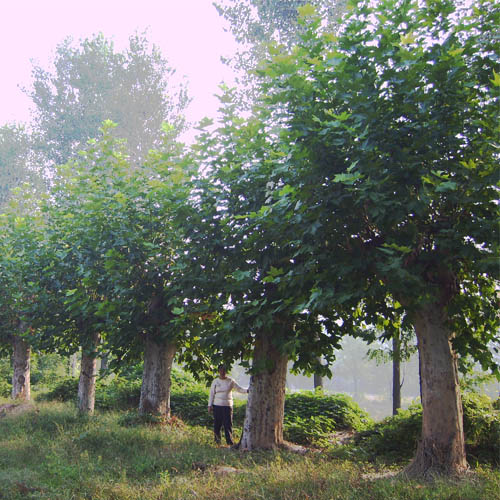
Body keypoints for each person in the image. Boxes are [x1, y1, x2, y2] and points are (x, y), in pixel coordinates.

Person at [208, 364, 248, 445]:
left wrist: (247, 391)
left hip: (227, 406)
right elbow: (211, 394)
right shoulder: (215, 381)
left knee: (228, 424)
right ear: (218, 371)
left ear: (226, 371)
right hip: (217, 406)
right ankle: (217, 442)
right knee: (217, 424)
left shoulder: (230, 381)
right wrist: (209, 405)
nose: (222, 372)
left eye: (224, 370)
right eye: (221, 370)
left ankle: (229, 442)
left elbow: (239, 389)